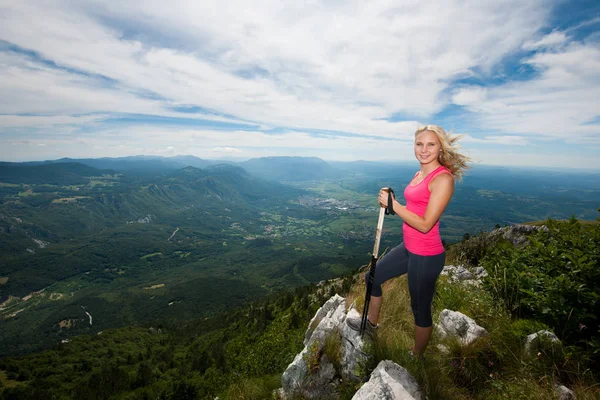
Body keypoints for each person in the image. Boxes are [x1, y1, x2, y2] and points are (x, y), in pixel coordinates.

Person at [347, 124, 470, 358]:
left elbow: (425, 224)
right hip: (409, 248)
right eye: (419, 144)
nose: (424, 149)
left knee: (419, 308)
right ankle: (371, 326)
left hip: (427, 254)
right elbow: (414, 207)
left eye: (431, 144)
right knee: (372, 276)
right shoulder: (419, 173)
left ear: (440, 147)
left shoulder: (443, 179)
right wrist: (391, 203)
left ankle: (417, 355)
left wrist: (394, 205)